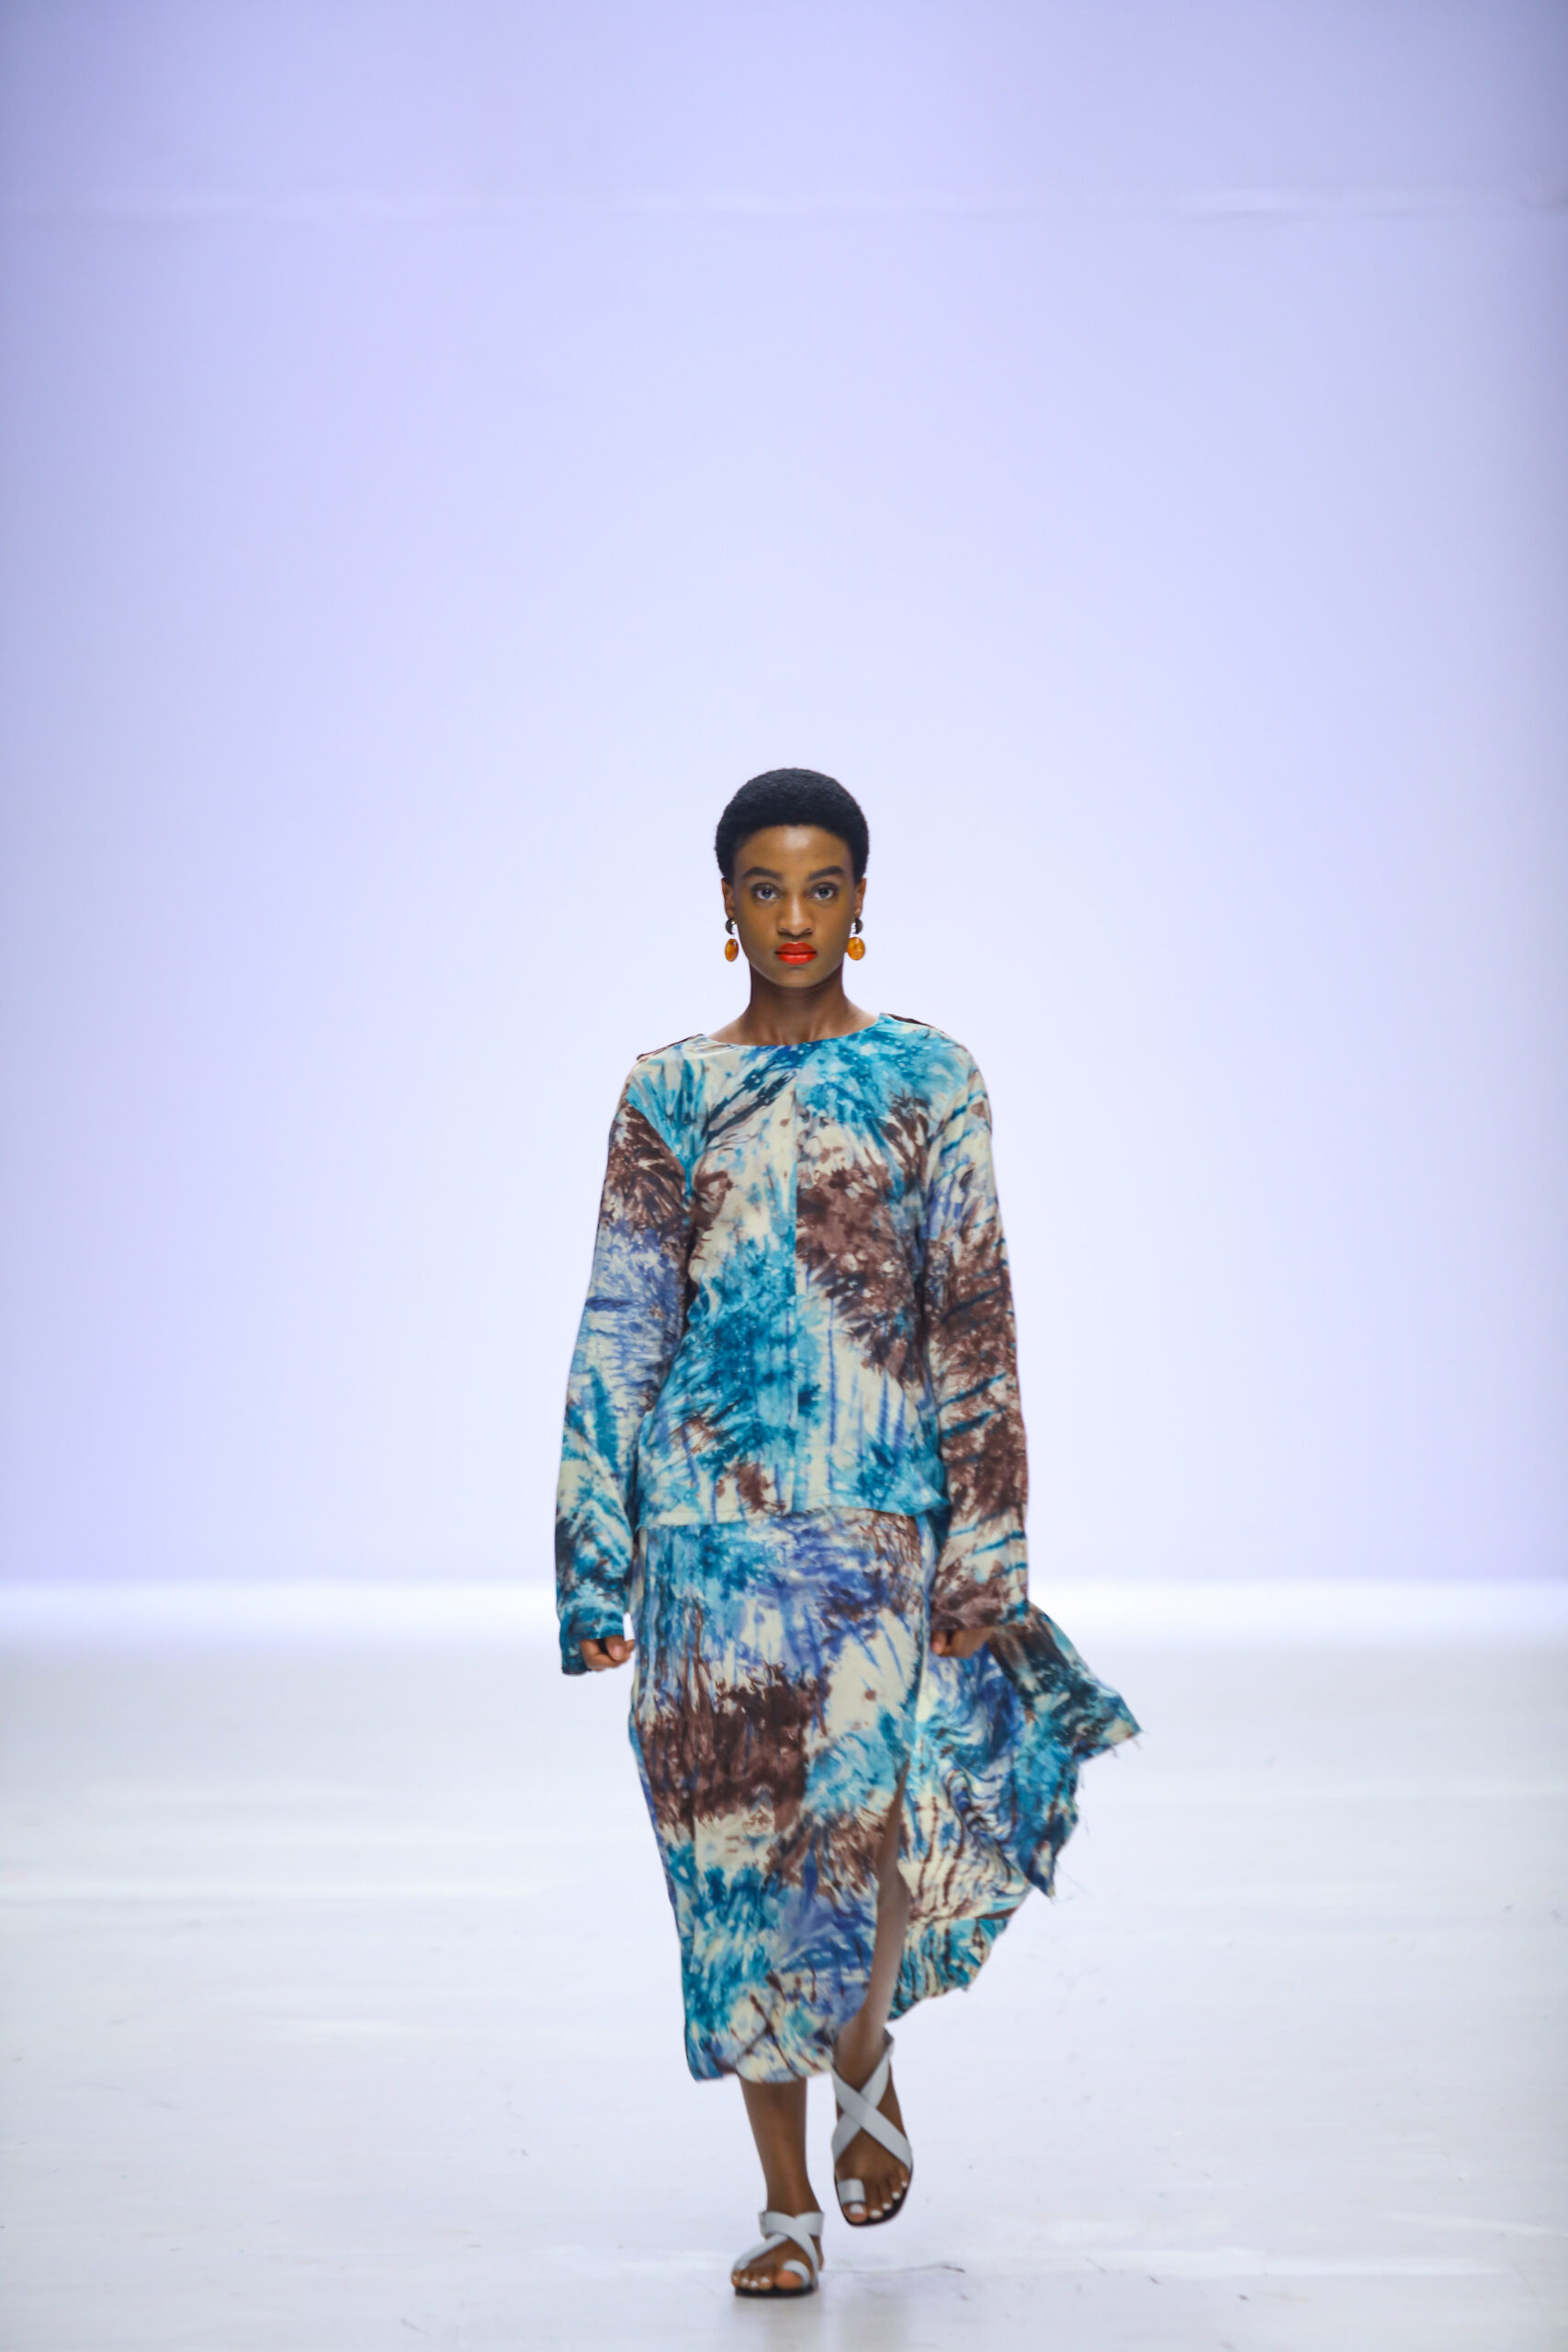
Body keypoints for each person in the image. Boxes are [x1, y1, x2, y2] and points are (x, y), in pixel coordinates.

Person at [555, 768, 1137, 2298]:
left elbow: (975, 1316)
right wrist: (593, 1555)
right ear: (727, 906)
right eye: (766, 888)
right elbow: (623, 1323)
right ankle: (784, 2201)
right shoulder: (668, 1092)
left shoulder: (930, 1078)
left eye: (823, 887)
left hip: (880, 1521)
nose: (795, 916)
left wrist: (988, 1545)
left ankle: (863, 2051)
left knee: (859, 1827)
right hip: (706, 1533)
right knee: (733, 1863)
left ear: (863, 902)